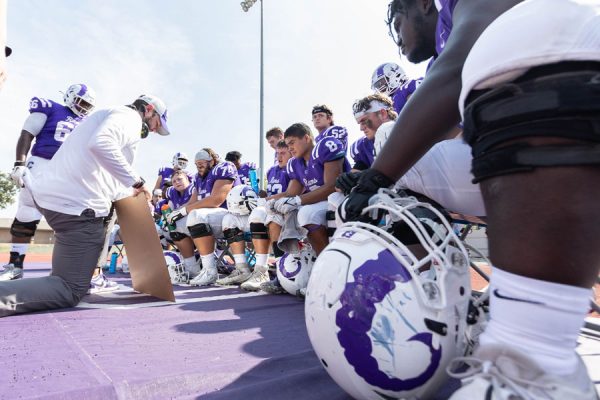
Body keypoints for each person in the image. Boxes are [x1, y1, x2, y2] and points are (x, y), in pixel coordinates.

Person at [344, 0, 600, 398]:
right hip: (523, 167)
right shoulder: (440, 56)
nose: (399, 37)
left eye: (398, 22)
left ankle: (535, 357)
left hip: (577, 130)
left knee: (518, 35)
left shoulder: (465, 23)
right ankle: (441, 305)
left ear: (422, 7)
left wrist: (378, 175)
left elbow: (454, 74)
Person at [0, 94, 170, 317]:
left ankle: (82, 274)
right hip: (77, 208)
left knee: (62, 275)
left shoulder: (104, 115)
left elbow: (104, 171)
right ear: (148, 110)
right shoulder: (129, 117)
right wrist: (137, 181)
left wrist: (131, 193)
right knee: (68, 288)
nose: (156, 130)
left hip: (54, 199)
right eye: (158, 123)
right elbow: (101, 143)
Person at [0, 84, 96, 282]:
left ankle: (73, 270)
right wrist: (20, 162)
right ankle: (15, 265)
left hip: (70, 171)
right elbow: (27, 133)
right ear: (70, 97)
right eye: (82, 102)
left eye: (88, 105)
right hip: (42, 163)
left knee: (73, 217)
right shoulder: (50, 107)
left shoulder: (87, 122)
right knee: (27, 210)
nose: (84, 108)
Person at [218, 140, 293, 290]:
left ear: (292, 152)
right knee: (229, 219)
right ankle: (242, 269)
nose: (279, 156)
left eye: (283, 153)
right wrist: (255, 196)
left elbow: (290, 193)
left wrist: (263, 201)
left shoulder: (293, 168)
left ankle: (261, 271)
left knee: (258, 213)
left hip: (284, 214)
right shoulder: (271, 170)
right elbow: (265, 194)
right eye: (277, 153)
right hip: (267, 209)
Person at [269, 123, 349, 256]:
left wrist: (297, 201)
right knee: (278, 214)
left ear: (306, 138)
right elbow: (290, 194)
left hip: (340, 198)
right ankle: (303, 255)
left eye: (292, 143)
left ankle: (327, 259)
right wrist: (269, 202)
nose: (290, 148)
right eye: (288, 145)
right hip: (319, 203)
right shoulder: (295, 163)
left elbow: (332, 186)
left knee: (307, 213)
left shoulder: (324, 146)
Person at [166, 148, 240, 287]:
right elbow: (192, 202)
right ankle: (193, 269)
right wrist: (175, 213)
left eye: (202, 163)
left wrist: (185, 211)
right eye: (196, 164)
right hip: (209, 218)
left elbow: (216, 200)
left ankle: (210, 271)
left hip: (230, 217)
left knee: (195, 215)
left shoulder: (223, 168)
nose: (199, 167)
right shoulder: (199, 178)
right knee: (175, 224)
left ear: (212, 161)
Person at [161, 170, 198, 283]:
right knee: (163, 230)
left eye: (180, 179)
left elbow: (194, 204)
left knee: (177, 227)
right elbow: (170, 207)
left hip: (196, 223)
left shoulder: (193, 188)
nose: (177, 182)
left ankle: (195, 266)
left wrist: (176, 214)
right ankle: (191, 267)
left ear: (187, 179)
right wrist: (166, 219)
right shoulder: (171, 191)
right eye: (174, 181)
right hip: (181, 225)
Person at [348, 94, 397, 171]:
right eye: (359, 123)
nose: (361, 128)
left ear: (383, 114)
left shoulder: (403, 129)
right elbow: (357, 171)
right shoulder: (364, 146)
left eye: (364, 121)